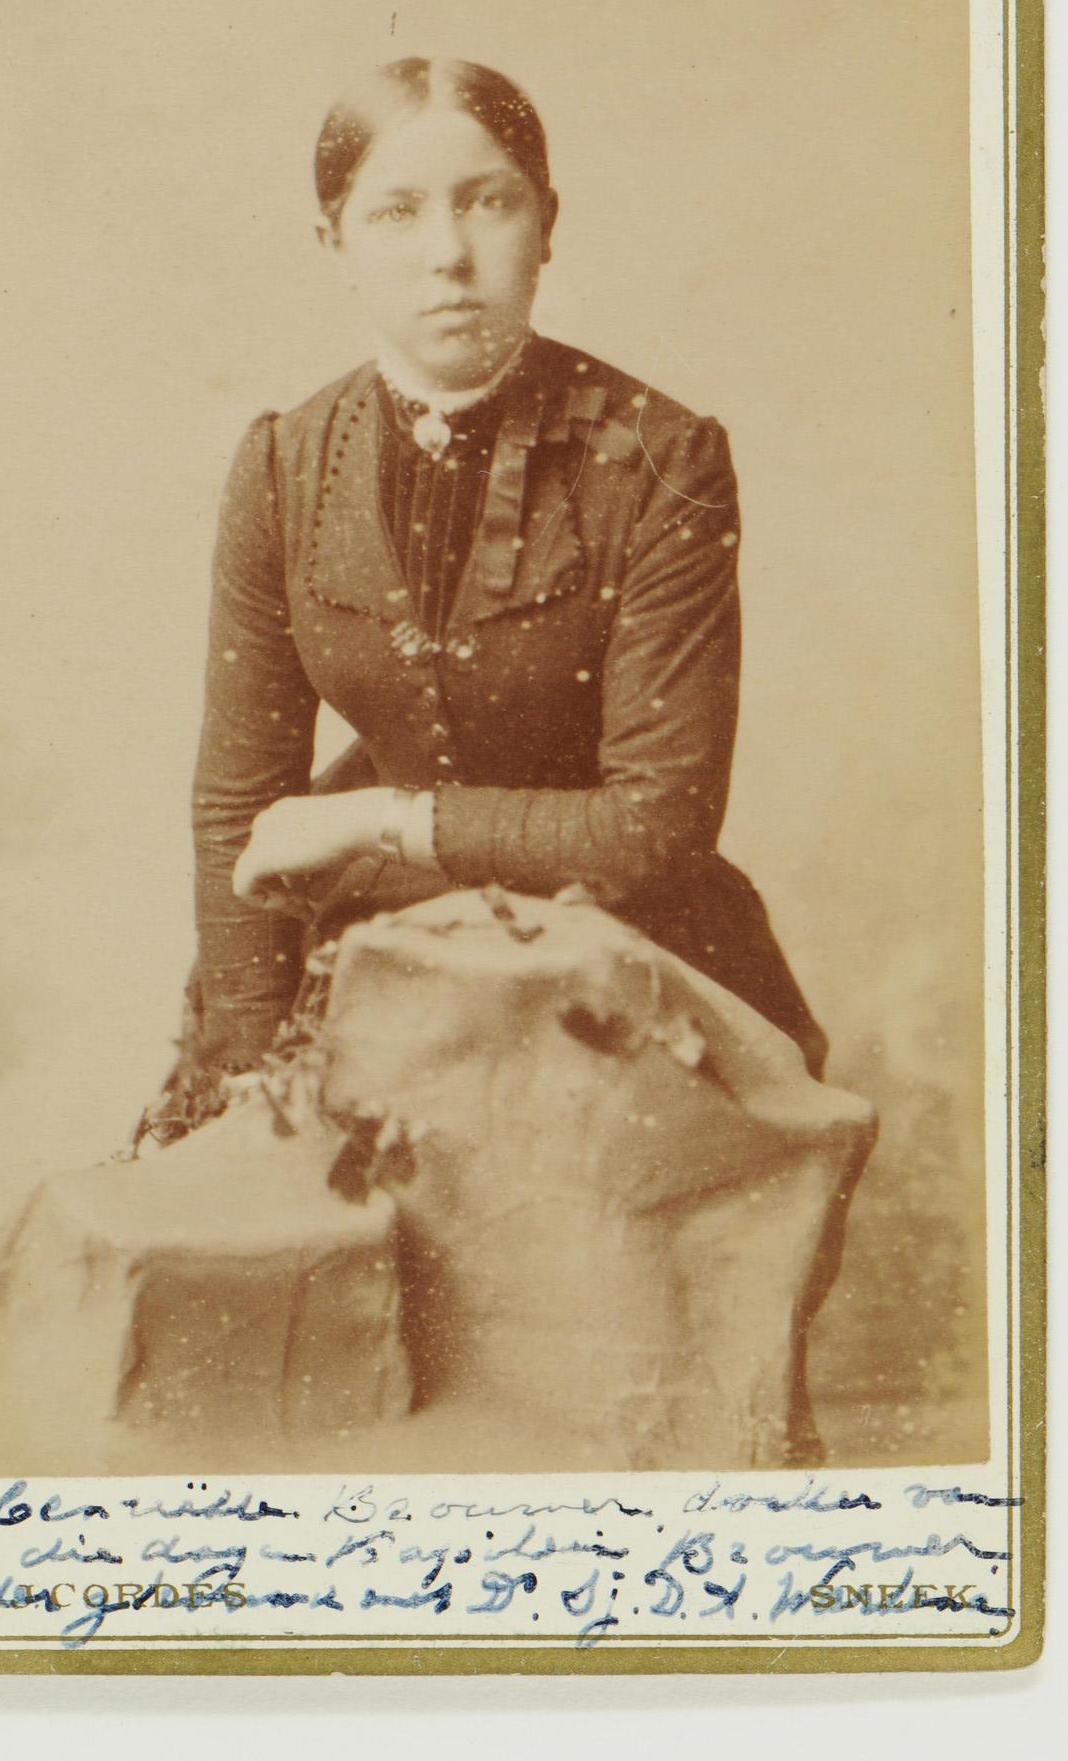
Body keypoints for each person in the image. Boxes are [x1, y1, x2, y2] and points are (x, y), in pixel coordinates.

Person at [153, 56, 826, 1141]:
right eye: (396, 211)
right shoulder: (281, 465)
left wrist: (376, 817)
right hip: (369, 956)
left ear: (546, 222)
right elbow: (238, 802)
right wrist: (244, 1063)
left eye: (488, 201)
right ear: (333, 243)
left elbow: (656, 824)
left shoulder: (663, 459)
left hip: (623, 959)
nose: (448, 254)